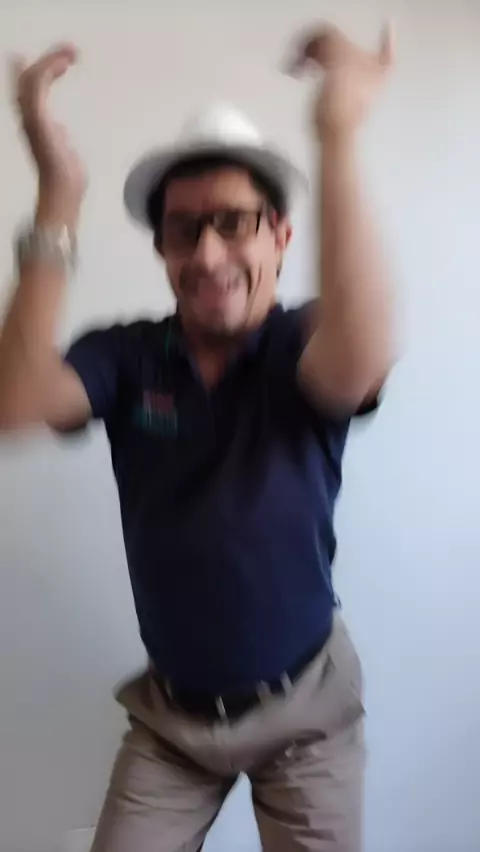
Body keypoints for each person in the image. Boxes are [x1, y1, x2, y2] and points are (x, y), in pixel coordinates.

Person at [0, 22, 394, 852]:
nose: (209, 253)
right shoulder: (127, 355)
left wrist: (338, 132)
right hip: (173, 723)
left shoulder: (303, 343)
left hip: (308, 714)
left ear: (280, 236)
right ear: (162, 249)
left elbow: (361, 355)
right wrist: (58, 191)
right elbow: (16, 400)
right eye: (185, 229)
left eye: (235, 222)